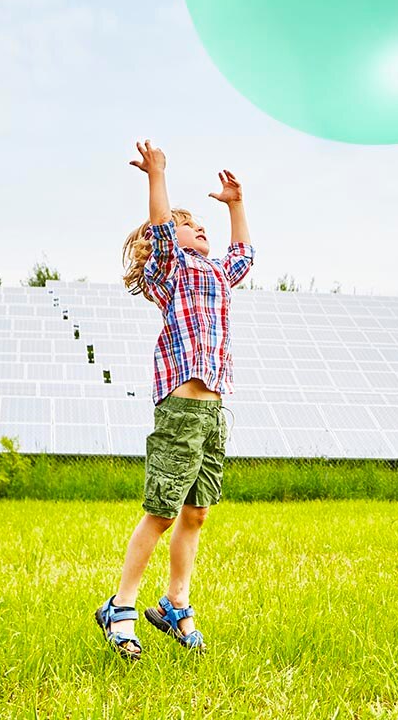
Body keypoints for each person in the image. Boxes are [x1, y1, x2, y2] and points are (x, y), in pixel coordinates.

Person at [94, 138, 255, 660]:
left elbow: (244, 255)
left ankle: (174, 604)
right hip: (182, 407)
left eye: (200, 224)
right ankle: (119, 608)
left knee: (196, 512)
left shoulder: (218, 276)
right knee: (162, 511)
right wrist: (157, 175)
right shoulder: (173, 271)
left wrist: (234, 206)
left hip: (213, 411)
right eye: (192, 225)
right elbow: (163, 228)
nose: (197, 228)